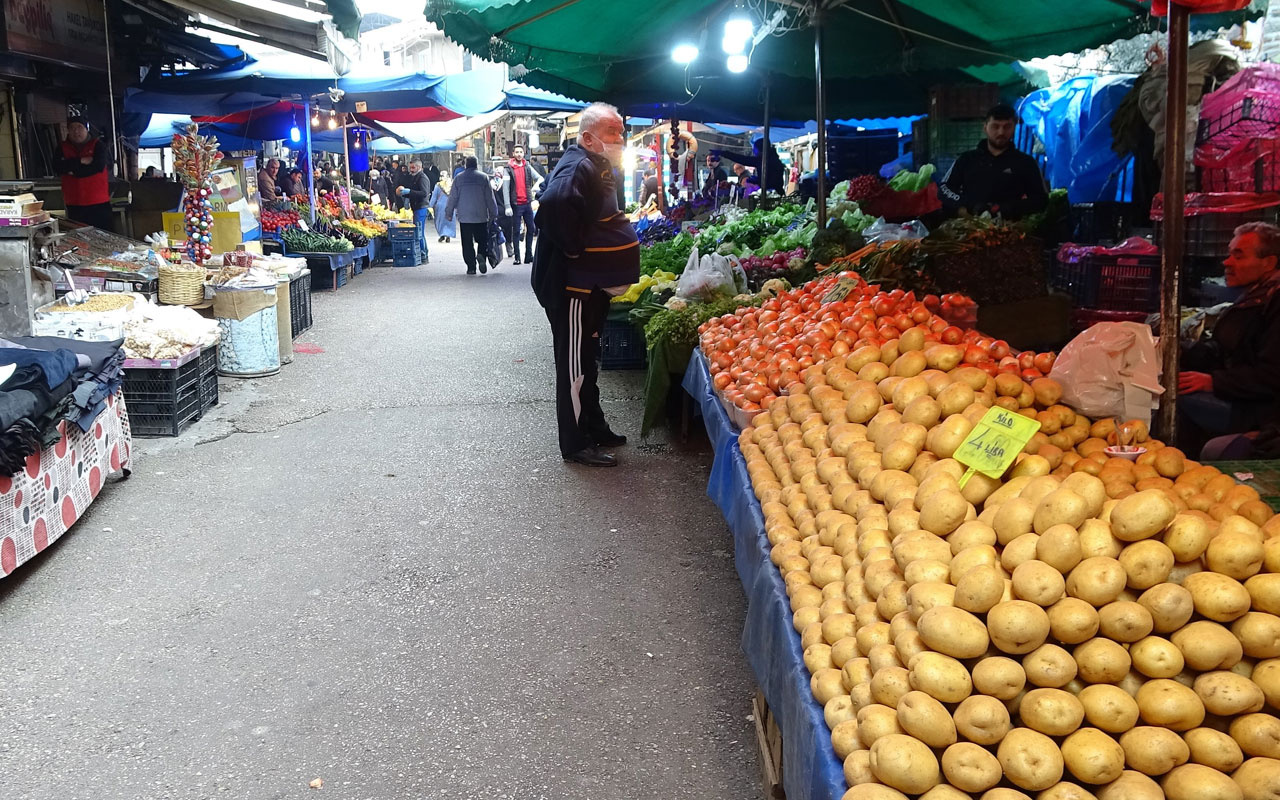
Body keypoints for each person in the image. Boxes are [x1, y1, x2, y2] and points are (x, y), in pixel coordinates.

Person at [531, 102, 637, 467]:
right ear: (589, 137)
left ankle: (594, 425)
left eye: (621, 132)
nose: (619, 139)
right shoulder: (579, 164)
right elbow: (555, 203)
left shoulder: (595, 165)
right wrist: (576, 251)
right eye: (612, 132)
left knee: (587, 360)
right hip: (571, 286)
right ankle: (575, 443)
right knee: (574, 364)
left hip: (589, 287)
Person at [1178, 222, 1280, 455]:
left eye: (1238, 256)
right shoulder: (1256, 295)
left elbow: (1273, 375)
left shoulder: (1274, 301)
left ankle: (1186, 474)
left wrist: (1214, 382)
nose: (1227, 262)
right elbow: (1226, 349)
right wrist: (1182, 350)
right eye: (1229, 254)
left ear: (1269, 263)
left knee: (1175, 403)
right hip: (1243, 396)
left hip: (1264, 413)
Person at [939, 103, 1047, 221]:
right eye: (995, 126)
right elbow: (944, 189)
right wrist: (969, 205)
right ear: (985, 127)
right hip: (968, 227)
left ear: (1014, 127)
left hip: (1011, 232)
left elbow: (1041, 199)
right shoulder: (966, 159)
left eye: (1007, 127)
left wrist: (1009, 208)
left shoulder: (1026, 163)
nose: (1001, 132)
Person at [444, 156, 498, 275]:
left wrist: (449, 212)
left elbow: (453, 197)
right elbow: (490, 197)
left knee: (467, 242)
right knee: (482, 240)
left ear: (465, 165)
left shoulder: (458, 178)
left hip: (465, 216)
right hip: (481, 215)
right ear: (476, 165)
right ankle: (481, 255)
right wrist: (494, 212)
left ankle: (471, 267)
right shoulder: (483, 177)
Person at [56, 117, 112, 229]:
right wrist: (80, 161)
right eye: (72, 128)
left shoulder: (98, 145)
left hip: (98, 201)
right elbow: (57, 167)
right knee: (78, 237)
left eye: (79, 127)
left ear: (86, 129)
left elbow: (98, 167)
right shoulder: (62, 147)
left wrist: (73, 171)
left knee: (102, 235)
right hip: (74, 202)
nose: (76, 131)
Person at [508, 145, 544, 264]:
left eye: (521, 152)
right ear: (513, 153)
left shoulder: (527, 166)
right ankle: (517, 257)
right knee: (516, 231)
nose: (519, 154)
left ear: (524, 153)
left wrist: (534, 189)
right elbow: (504, 189)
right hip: (516, 204)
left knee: (531, 228)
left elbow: (539, 178)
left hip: (527, 203)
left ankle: (529, 255)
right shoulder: (508, 168)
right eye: (517, 152)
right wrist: (508, 205)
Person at [397, 160, 432, 261]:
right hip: (416, 207)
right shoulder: (415, 177)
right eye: (410, 168)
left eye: (413, 168)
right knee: (419, 232)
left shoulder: (422, 178)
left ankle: (423, 254)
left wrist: (409, 191)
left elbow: (424, 193)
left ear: (419, 167)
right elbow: (414, 192)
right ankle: (423, 253)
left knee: (419, 232)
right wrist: (405, 194)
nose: (411, 170)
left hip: (421, 207)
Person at [491, 165, 515, 257]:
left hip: (494, 211)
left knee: (494, 231)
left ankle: (495, 251)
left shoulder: (490, 183)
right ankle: (509, 248)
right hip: (505, 210)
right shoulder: (506, 183)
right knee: (508, 230)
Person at [430, 176, 456, 243]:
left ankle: (442, 235)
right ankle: (448, 235)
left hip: (440, 206)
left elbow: (434, 197)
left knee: (440, 221)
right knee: (449, 221)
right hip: (450, 205)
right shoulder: (452, 185)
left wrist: (430, 206)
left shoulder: (438, 186)